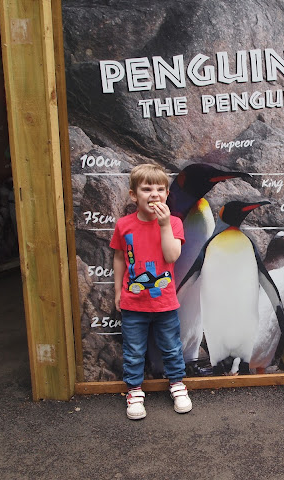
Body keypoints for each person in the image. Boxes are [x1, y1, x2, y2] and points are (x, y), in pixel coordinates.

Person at [110, 164, 192, 419]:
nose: (154, 194)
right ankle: (134, 391)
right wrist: (117, 292)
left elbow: (172, 255)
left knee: (171, 347)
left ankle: (177, 384)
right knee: (133, 350)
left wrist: (165, 224)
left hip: (165, 302)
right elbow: (119, 258)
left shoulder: (175, 223)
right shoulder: (124, 225)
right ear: (134, 195)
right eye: (146, 189)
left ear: (167, 194)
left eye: (160, 189)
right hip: (133, 302)